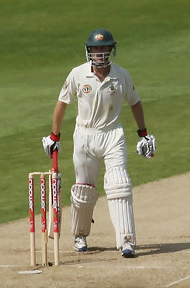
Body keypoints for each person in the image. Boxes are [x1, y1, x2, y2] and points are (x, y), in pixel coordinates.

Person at [41, 28, 155, 258]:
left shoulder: (121, 75)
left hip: (113, 134)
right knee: (84, 189)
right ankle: (80, 234)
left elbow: (135, 102)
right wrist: (54, 136)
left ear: (111, 50)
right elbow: (62, 103)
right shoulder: (77, 74)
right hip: (84, 136)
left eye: (104, 49)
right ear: (89, 51)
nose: (100, 54)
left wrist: (143, 133)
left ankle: (126, 240)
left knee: (119, 183)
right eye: (96, 49)